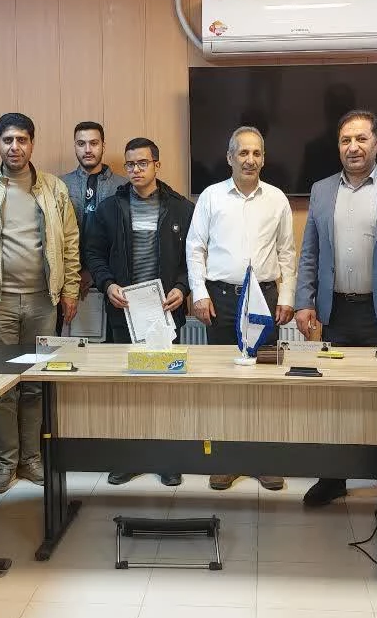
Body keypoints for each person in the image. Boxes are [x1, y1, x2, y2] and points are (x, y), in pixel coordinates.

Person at [293, 109, 377, 507]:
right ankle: (333, 478)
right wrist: (304, 301)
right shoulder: (321, 191)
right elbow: (310, 253)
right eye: (345, 140)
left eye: (361, 139)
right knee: (336, 398)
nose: (353, 147)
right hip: (336, 312)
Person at [0, 113, 81, 494]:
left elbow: (70, 242)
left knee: (35, 384)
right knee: (1, 386)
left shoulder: (53, 188)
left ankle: (32, 459)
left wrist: (70, 289)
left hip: (44, 302)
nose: (15, 147)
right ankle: (4, 464)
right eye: (8, 140)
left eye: (22, 140)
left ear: (32, 143)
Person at [186, 125, 295, 492]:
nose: (250, 159)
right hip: (221, 301)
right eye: (243, 153)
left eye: (256, 153)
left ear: (264, 159)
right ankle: (226, 461)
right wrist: (199, 293)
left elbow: (287, 253)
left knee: (265, 384)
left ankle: (264, 461)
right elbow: (195, 247)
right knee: (223, 384)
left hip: (264, 300)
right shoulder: (211, 197)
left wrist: (287, 297)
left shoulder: (277, 199)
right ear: (230, 157)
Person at [83, 137, 194, 488]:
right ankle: (128, 459)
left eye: (143, 163)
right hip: (124, 313)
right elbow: (93, 253)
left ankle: (167, 461)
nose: (135, 170)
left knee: (166, 390)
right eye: (130, 164)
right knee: (128, 390)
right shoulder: (109, 209)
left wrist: (182, 287)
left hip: (165, 313)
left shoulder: (180, 208)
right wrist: (107, 284)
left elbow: (194, 257)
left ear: (156, 165)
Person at [61, 120, 128, 307]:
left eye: (94, 143)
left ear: (103, 146)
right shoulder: (60, 186)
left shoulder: (123, 187)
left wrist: (95, 272)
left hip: (113, 282)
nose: (88, 149)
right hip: (68, 282)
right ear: (75, 146)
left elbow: (124, 238)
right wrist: (74, 274)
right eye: (81, 144)